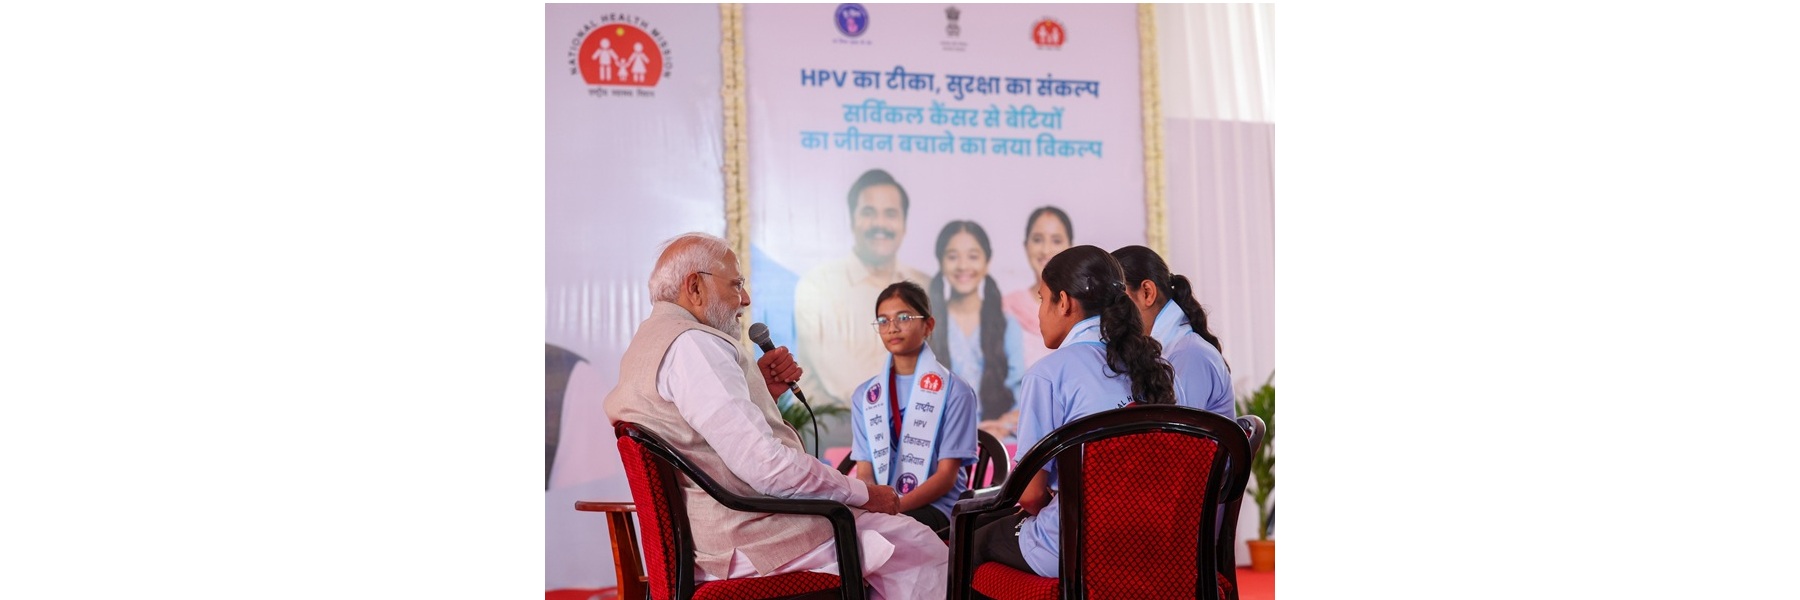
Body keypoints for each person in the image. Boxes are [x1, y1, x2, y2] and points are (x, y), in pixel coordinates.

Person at [604, 232, 946, 600]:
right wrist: (863, 493)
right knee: (915, 546)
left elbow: (700, 435)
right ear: (695, 287)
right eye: (736, 285)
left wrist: (761, 392)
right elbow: (768, 467)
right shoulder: (694, 345)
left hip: (717, 535)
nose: (745, 299)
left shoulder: (652, 341)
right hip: (750, 537)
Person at [966, 245, 1176, 578]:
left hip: (1078, 545)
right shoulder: (1149, 367)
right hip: (1149, 541)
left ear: (1064, 302)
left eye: (1042, 299)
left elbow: (1031, 494)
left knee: (969, 541)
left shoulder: (1048, 373)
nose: (1038, 313)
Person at [848, 282, 979, 539]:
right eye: (883, 321)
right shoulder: (865, 396)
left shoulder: (955, 390)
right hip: (883, 508)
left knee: (872, 535)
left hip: (940, 509)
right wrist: (876, 505)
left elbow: (946, 478)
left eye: (904, 318)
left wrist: (894, 507)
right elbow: (865, 471)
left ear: (928, 325)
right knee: (840, 530)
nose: (892, 328)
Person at [793, 169, 932, 411]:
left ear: (904, 224)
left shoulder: (925, 286)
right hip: (839, 427)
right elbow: (846, 383)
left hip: (914, 419)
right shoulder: (818, 286)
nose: (880, 224)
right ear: (852, 219)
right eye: (869, 213)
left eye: (890, 214)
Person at [1111, 245, 1235, 418]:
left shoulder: (1189, 354)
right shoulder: (1169, 349)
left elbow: (1176, 440)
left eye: (1116, 301)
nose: (1107, 314)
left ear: (1147, 293)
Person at [926, 220, 1023, 425]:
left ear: (987, 262)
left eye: (973, 256)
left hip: (995, 444)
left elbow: (1022, 397)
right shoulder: (927, 325)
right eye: (953, 257)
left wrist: (1001, 426)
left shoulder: (1007, 324)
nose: (963, 266)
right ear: (941, 262)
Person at [1002, 206, 1074, 368]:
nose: (1045, 250)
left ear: (1071, 247)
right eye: (1037, 240)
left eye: (1056, 240)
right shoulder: (1008, 307)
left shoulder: (1083, 307)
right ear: (1025, 246)